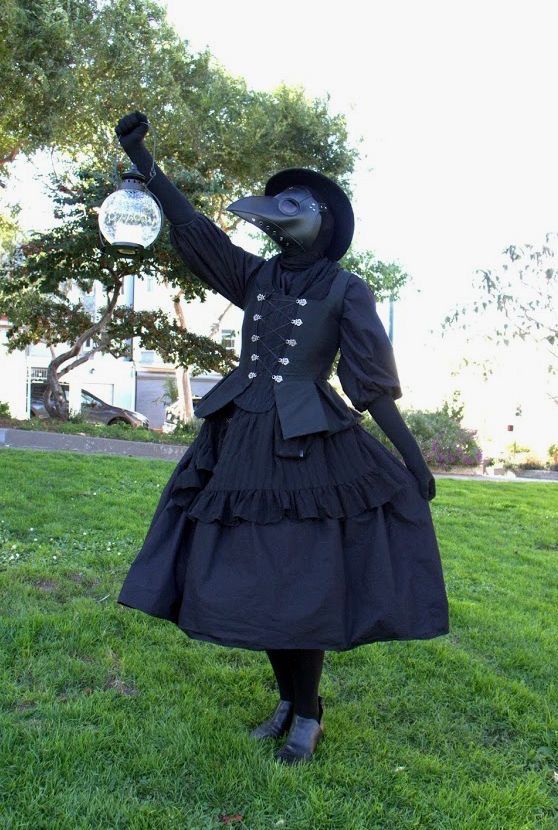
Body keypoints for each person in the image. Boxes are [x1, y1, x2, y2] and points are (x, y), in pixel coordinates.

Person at [114, 111, 450, 765]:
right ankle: (287, 701)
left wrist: (413, 460)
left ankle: (308, 711)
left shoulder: (348, 290)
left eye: (294, 206)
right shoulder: (259, 277)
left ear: (324, 218)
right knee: (258, 578)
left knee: (302, 582)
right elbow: (198, 235)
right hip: (242, 442)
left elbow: (371, 386)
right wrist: (146, 166)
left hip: (310, 447)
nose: (276, 215)